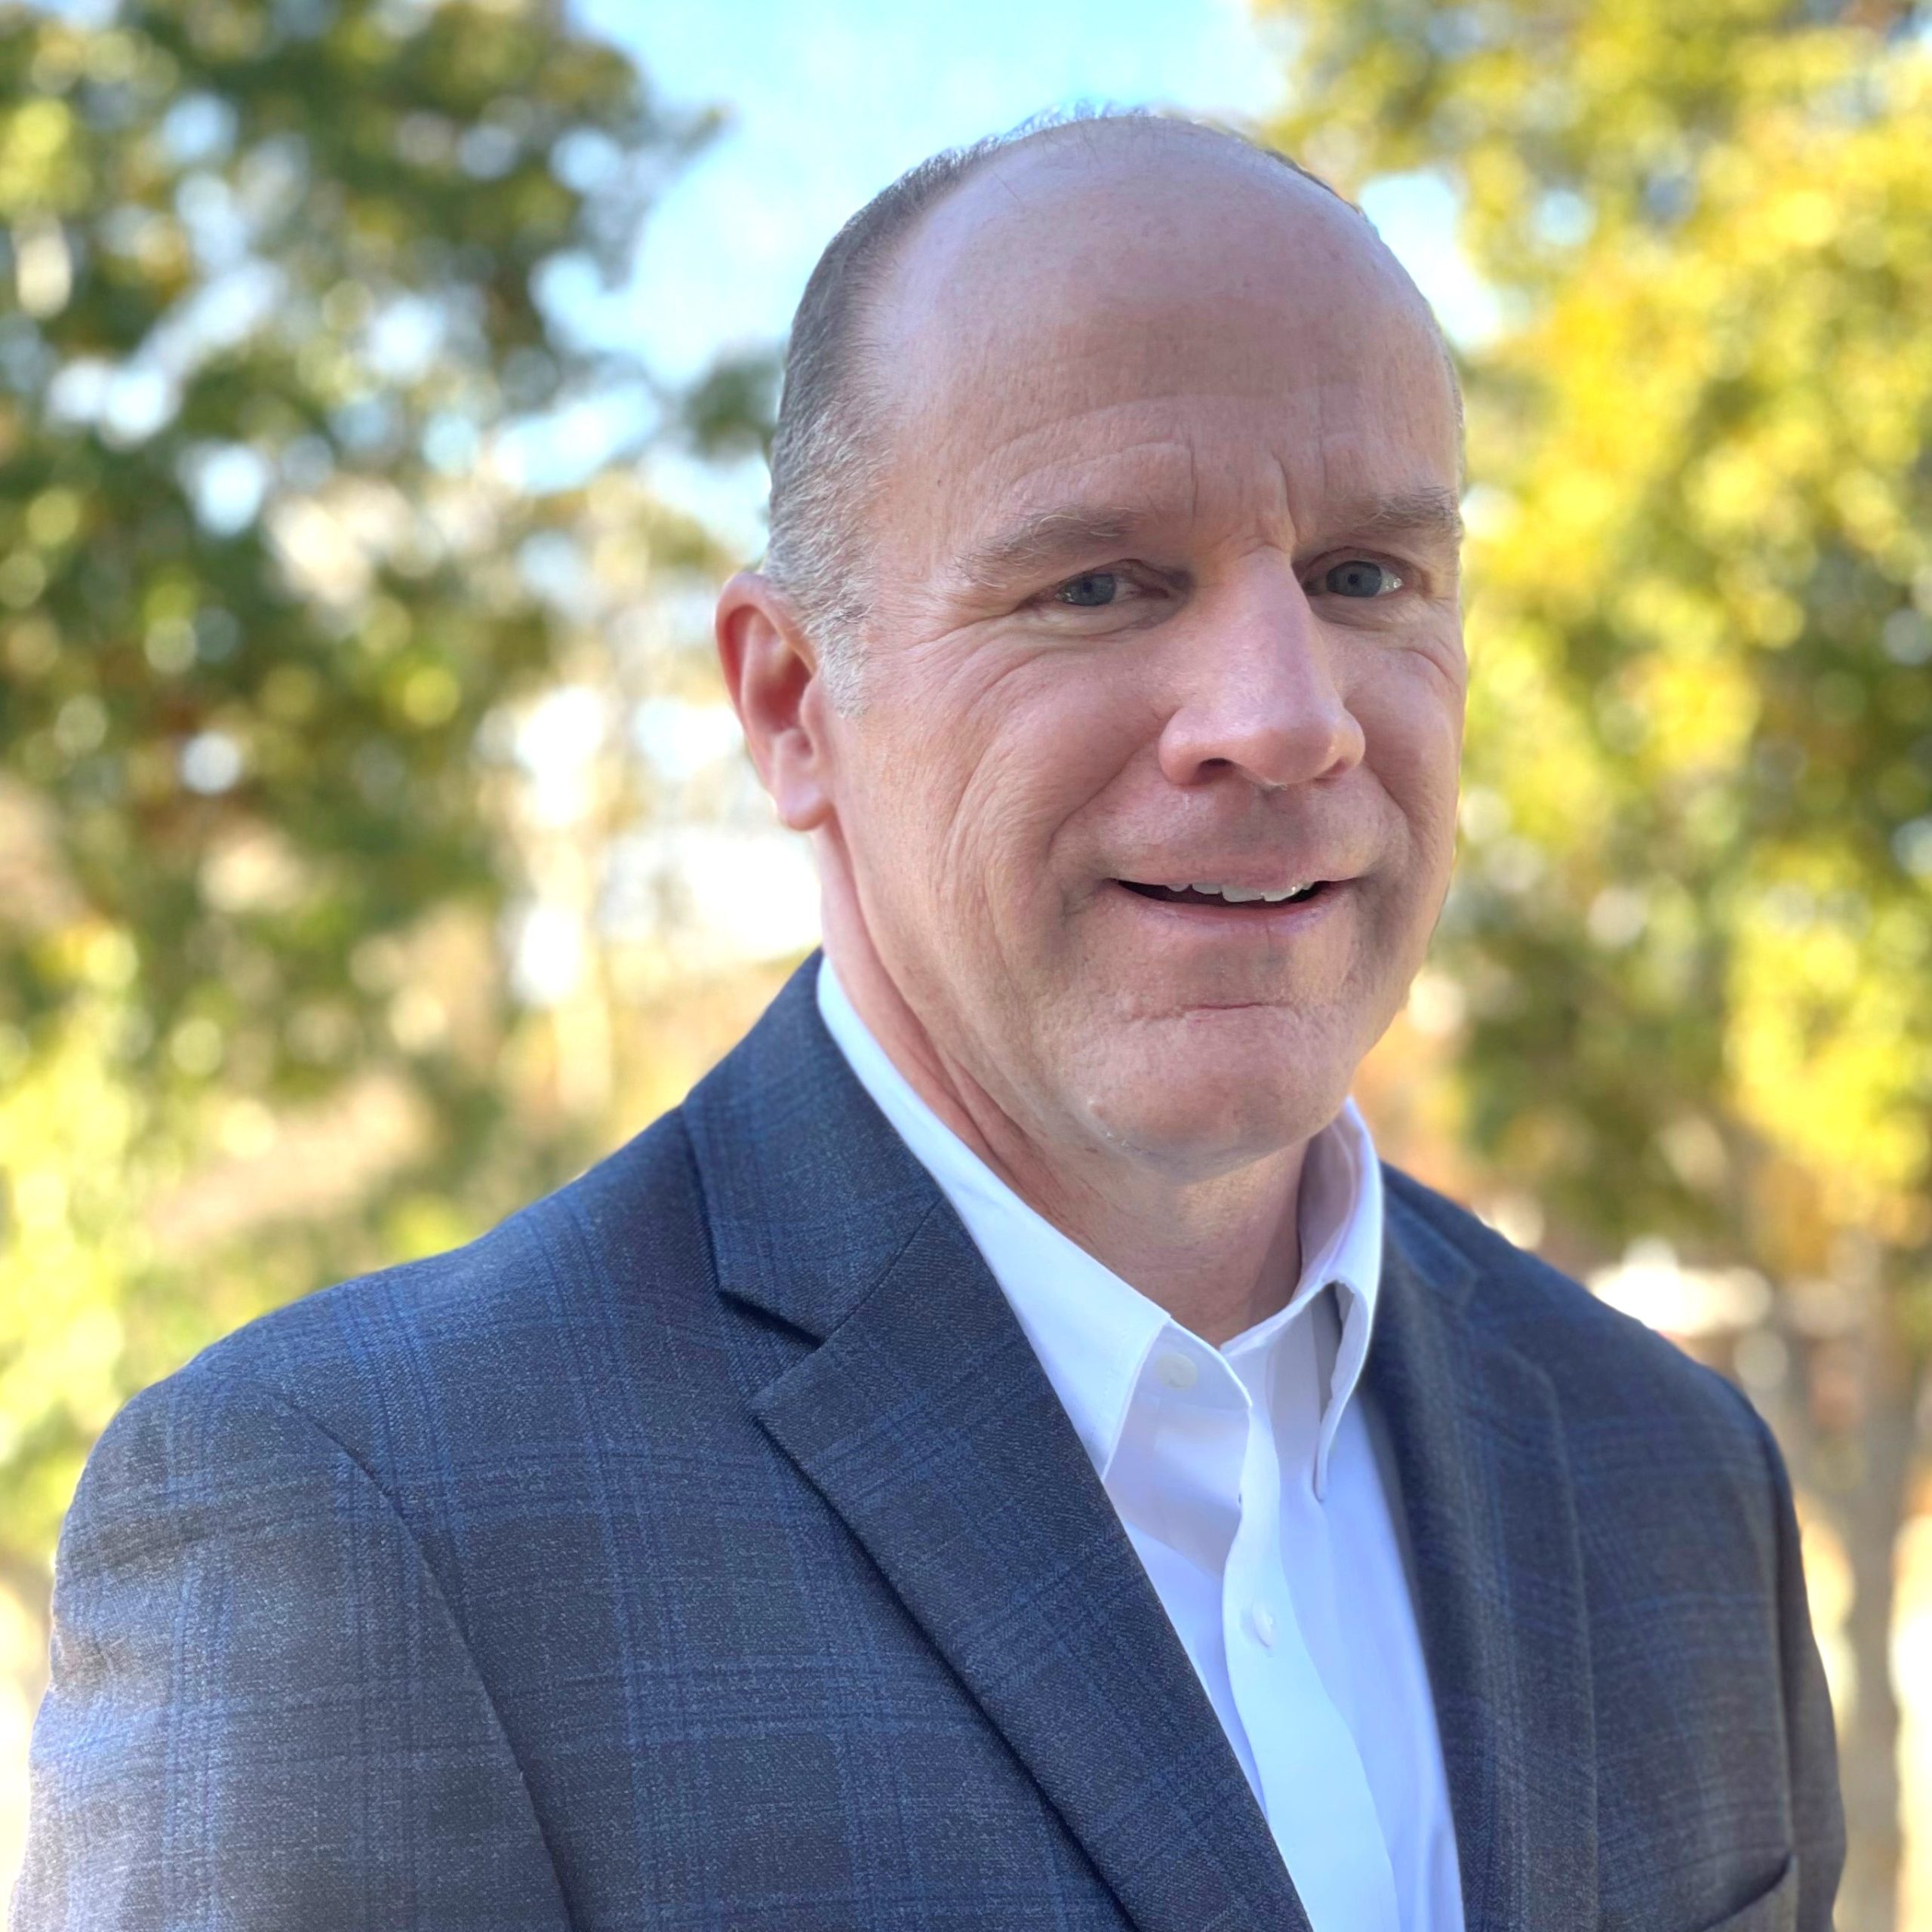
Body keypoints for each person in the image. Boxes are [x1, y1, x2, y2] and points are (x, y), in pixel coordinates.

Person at [14, 111, 1841, 1932]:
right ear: (794, 704)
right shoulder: (357, 1518)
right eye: (1098, 583)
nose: (1283, 718)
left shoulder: (1671, 1471)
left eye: (1366, 574)